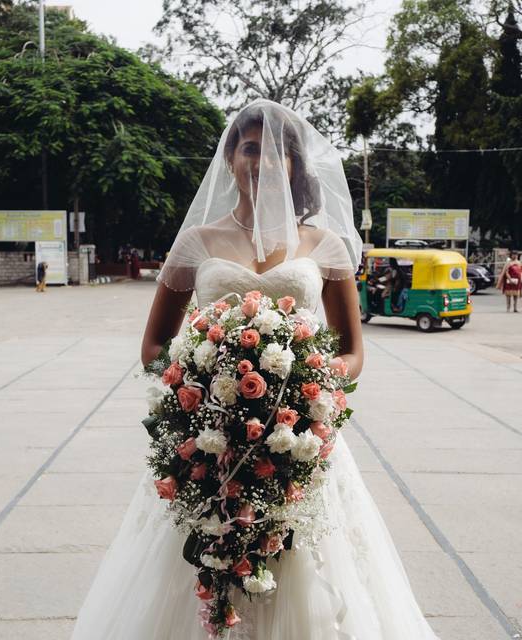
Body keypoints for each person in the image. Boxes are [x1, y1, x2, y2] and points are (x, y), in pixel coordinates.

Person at [70, 100, 441, 639]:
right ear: (229, 159)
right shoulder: (197, 243)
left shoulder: (326, 245)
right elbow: (153, 346)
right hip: (209, 444)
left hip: (301, 443)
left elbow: (354, 351)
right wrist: (196, 383)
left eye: (275, 153)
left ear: (295, 165)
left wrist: (311, 390)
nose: (261, 162)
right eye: (249, 149)